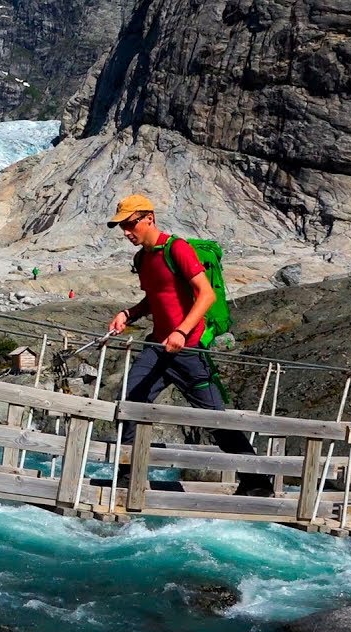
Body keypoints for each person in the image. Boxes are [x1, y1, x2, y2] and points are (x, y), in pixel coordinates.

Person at [106, 194, 273, 497]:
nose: (127, 232)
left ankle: (257, 481)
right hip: (158, 346)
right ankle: (128, 473)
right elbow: (156, 298)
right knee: (130, 400)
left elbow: (205, 294)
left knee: (213, 417)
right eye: (122, 227)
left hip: (189, 350)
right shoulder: (142, 258)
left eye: (130, 224)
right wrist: (128, 314)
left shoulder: (177, 249)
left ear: (148, 218)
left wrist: (182, 332)